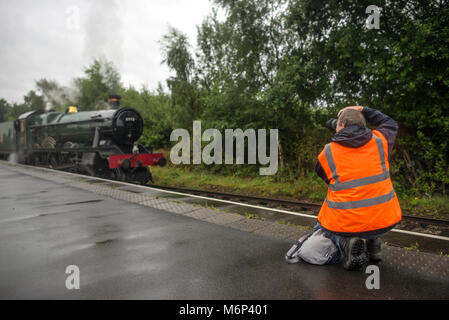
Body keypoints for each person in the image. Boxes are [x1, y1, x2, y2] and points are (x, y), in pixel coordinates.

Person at [312, 106, 402, 270]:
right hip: (384, 221)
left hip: (347, 224)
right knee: (370, 206)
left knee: (322, 223)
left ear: (343, 126)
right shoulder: (380, 141)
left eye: (337, 126)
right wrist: (362, 109)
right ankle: (374, 246)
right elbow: (389, 122)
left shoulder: (327, 153)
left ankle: (346, 243)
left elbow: (325, 176)